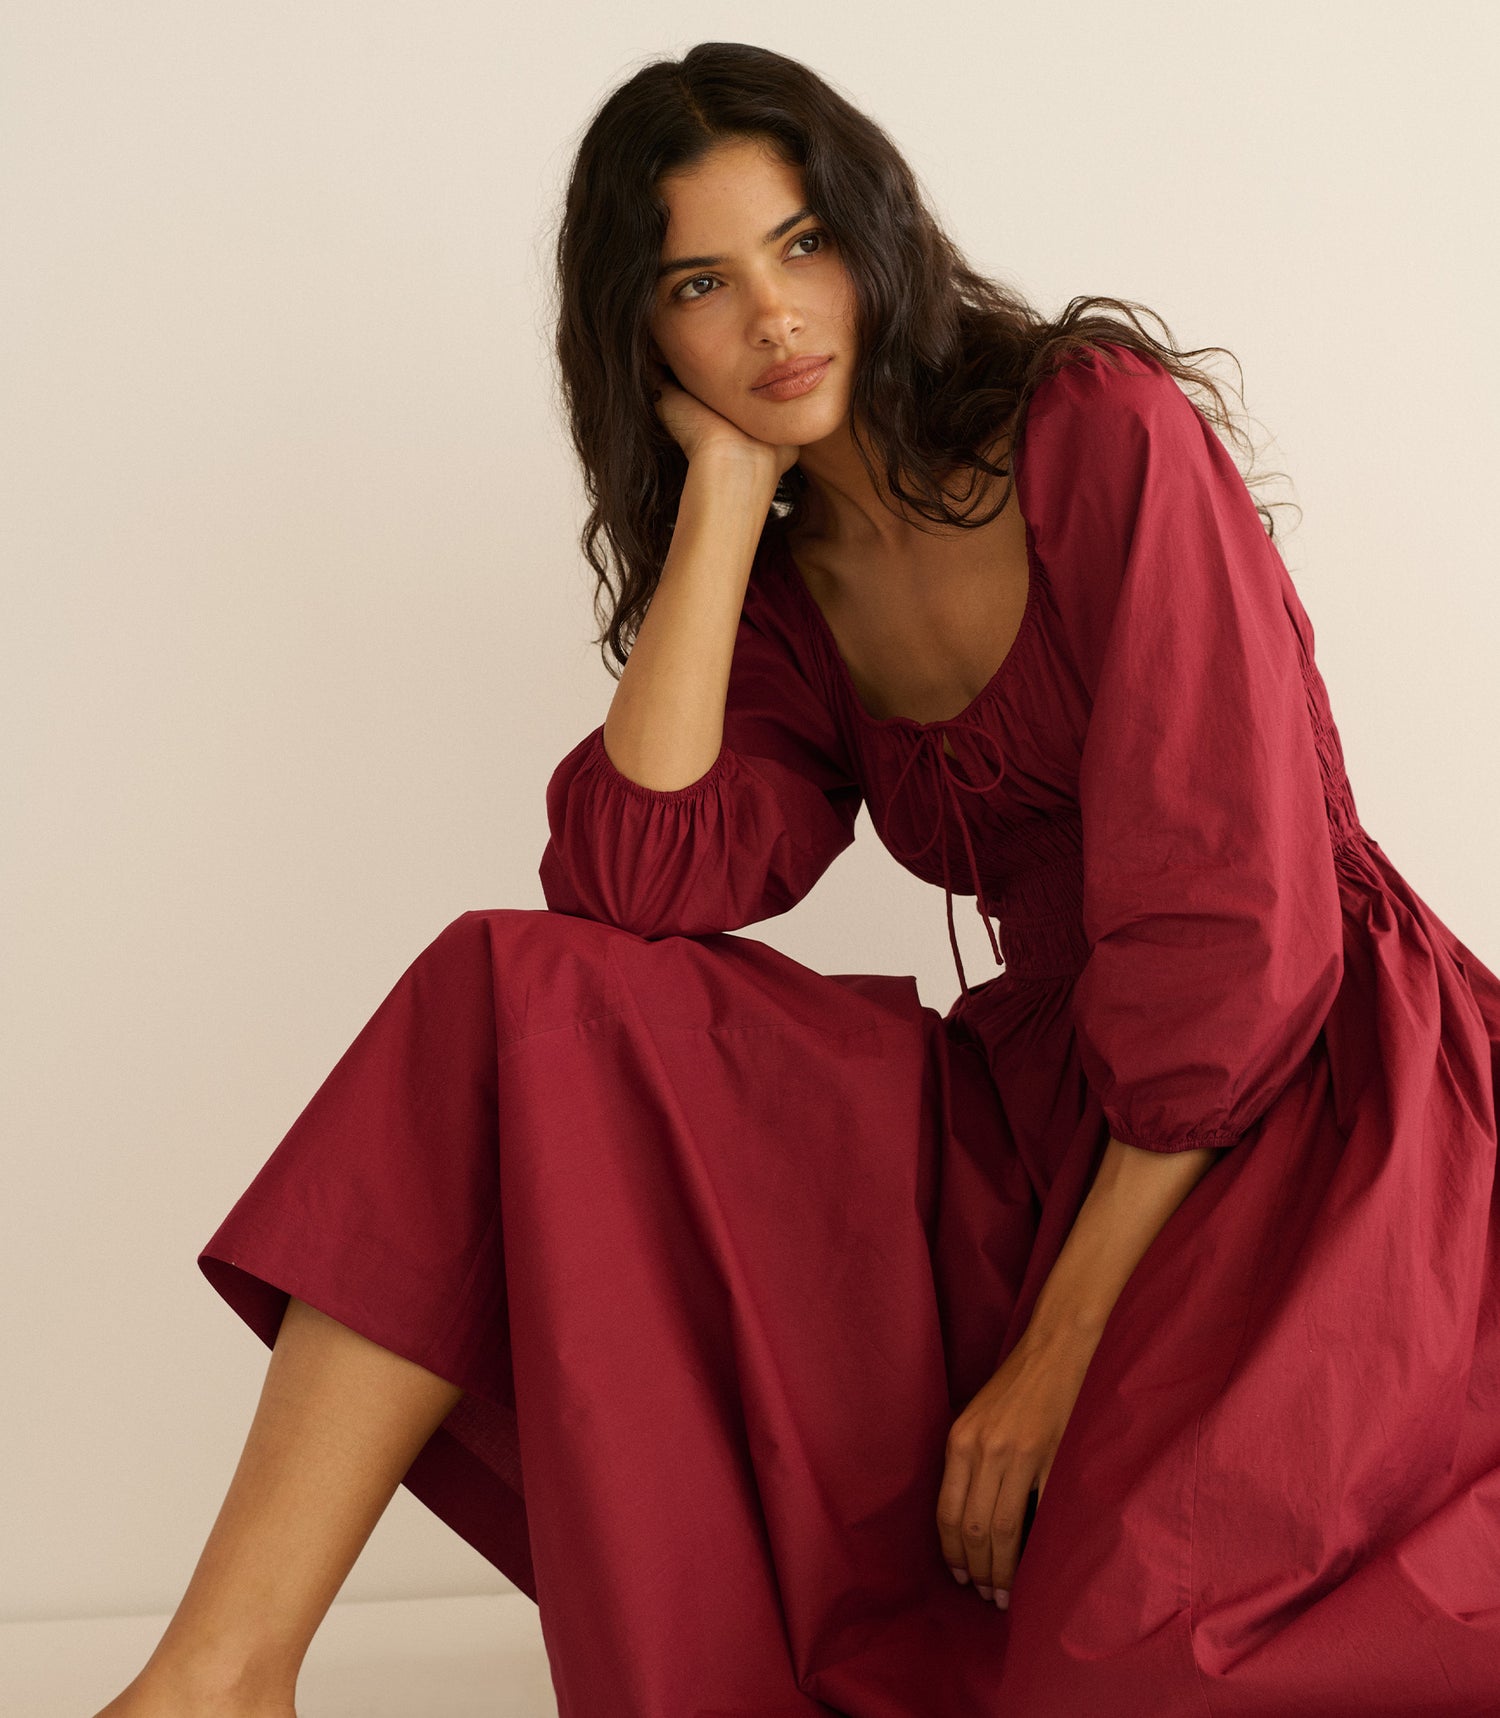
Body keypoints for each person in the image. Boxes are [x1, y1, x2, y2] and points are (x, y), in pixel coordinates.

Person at [95, 41, 1500, 1718]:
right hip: (1048, 1108)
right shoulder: (786, 582)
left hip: (1312, 1112)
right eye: (703, 281)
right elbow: (625, 880)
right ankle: (219, 1678)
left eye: (805, 242)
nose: (774, 313)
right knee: (514, 992)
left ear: (878, 238)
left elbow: (1230, 943)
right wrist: (729, 497)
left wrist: (1049, 1360)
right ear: (645, 334)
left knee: (1124, 1663)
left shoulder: (1095, 431)